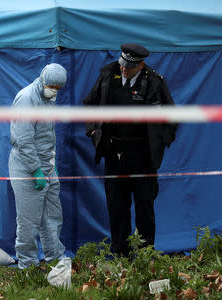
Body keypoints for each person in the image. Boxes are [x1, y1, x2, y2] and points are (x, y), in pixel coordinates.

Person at [83, 43, 177, 257]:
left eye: (129, 67)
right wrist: (92, 132)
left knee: (145, 207)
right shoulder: (108, 75)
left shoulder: (154, 81)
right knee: (117, 207)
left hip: (143, 155)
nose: (124, 69)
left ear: (141, 65)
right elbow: (89, 104)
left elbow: (171, 116)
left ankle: (145, 255)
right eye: (122, 64)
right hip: (114, 153)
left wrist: (161, 142)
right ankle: (120, 254)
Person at [9, 63, 67, 269]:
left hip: (47, 167)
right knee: (28, 222)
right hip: (26, 168)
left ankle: (55, 260)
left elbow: (46, 137)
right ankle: (27, 266)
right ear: (42, 80)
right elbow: (23, 141)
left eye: (58, 88)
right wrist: (35, 170)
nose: (54, 91)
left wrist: (51, 165)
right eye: (52, 86)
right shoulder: (26, 99)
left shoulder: (48, 98)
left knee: (52, 216)